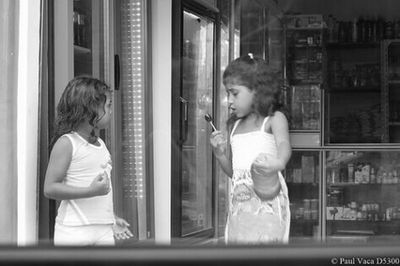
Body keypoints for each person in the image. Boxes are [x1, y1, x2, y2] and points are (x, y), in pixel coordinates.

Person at [210, 54, 291, 244]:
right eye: (227, 94)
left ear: (257, 90)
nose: (229, 100)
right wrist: (219, 153)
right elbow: (235, 173)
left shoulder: (274, 119)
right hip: (239, 210)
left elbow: (284, 145)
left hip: (269, 208)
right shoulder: (234, 127)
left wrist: (279, 162)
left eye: (234, 93)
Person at [44, 76, 133, 246]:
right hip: (74, 231)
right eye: (108, 106)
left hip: (103, 230)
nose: (111, 111)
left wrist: (110, 218)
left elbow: (101, 192)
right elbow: (49, 189)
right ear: (89, 109)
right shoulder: (67, 143)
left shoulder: (100, 145)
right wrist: (91, 191)